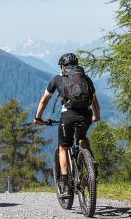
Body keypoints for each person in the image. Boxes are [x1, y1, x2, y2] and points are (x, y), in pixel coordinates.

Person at [33, 53, 100, 200]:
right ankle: (91, 165)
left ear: (63, 66)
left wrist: (38, 118)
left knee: (63, 148)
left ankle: (65, 186)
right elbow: (94, 100)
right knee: (82, 137)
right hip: (86, 115)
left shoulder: (57, 78)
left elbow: (44, 100)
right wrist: (96, 116)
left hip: (68, 116)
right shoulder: (85, 79)